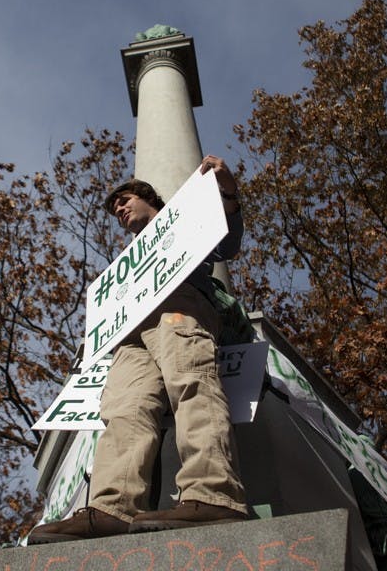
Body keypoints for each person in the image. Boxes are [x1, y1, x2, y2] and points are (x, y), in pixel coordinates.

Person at [28, 155, 248, 544]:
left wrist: (226, 192)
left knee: (191, 386)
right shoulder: (127, 264)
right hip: (130, 335)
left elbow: (226, 242)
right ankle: (111, 508)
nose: (120, 209)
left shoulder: (183, 220)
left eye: (126, 200)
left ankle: (212, 494)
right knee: (124, 412)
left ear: (152, 200)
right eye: (115, 209)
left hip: (179, 306)